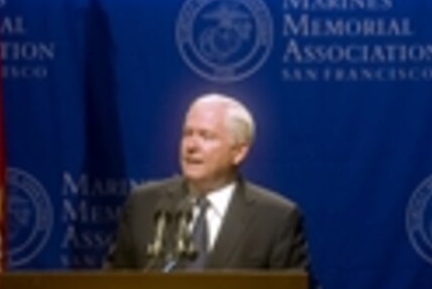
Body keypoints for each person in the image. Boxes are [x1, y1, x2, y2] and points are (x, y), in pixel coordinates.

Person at [107, 93, 312, 271]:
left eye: (206, 136)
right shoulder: (144, 204)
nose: (191, 146)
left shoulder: (275, 219)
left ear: (238, 152)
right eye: (188, 133)